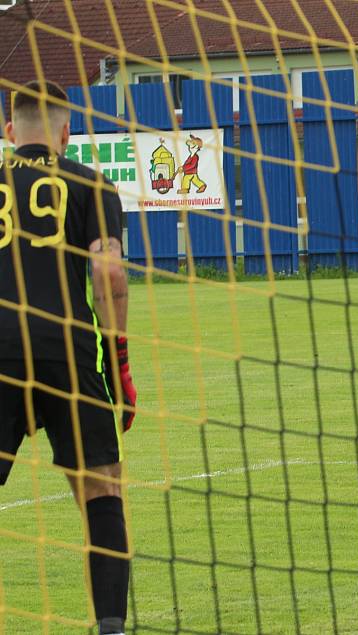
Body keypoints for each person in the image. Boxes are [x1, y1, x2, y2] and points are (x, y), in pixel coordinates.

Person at [0, 81, 136, 635]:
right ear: (65, 133)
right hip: (67, 348)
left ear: (9, 133)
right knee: (102, 490)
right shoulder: (91, 183)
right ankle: (109, 628)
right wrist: (119, 360)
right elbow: (107, 272)